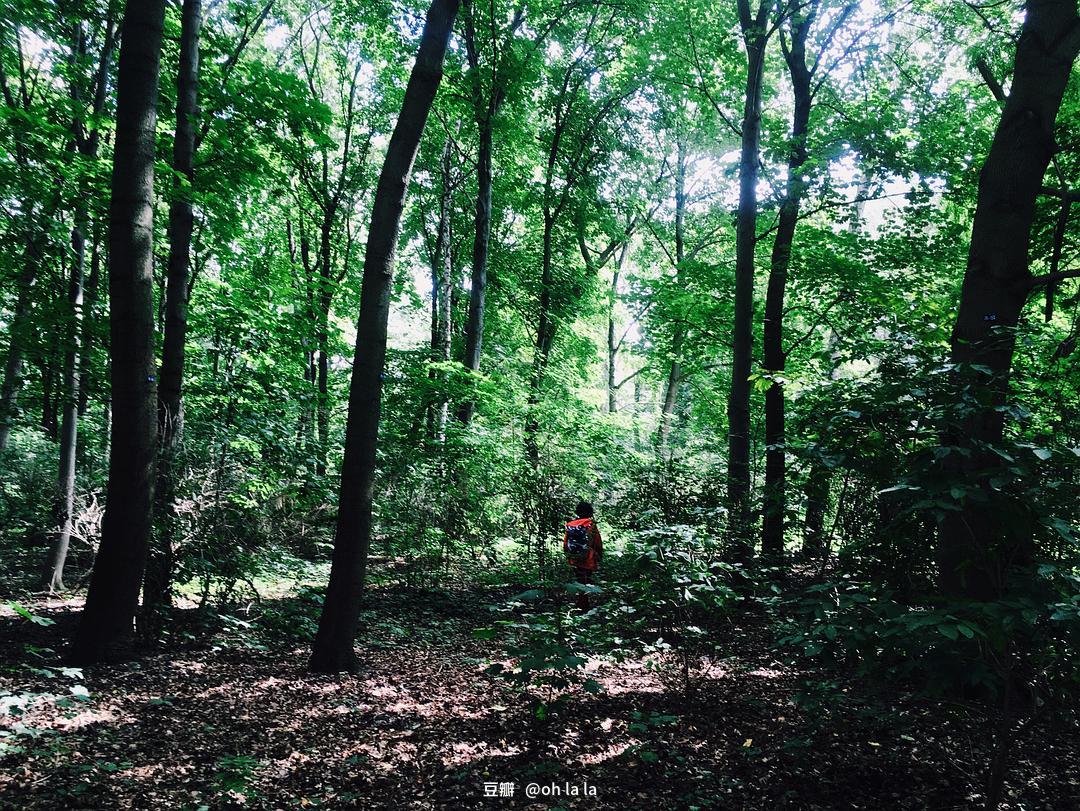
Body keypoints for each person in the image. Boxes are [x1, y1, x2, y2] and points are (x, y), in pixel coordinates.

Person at [563, 500, 602, 610]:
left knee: (579, 580)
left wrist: (568, 555)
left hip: (574, 558)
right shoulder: (591, 524)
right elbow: (597, 542)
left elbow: (566, 542)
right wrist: (599, 555)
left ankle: (581, 602)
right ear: (590, 512)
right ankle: (584, 604)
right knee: (585, 580)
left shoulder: (570, 525)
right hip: (588, 558)